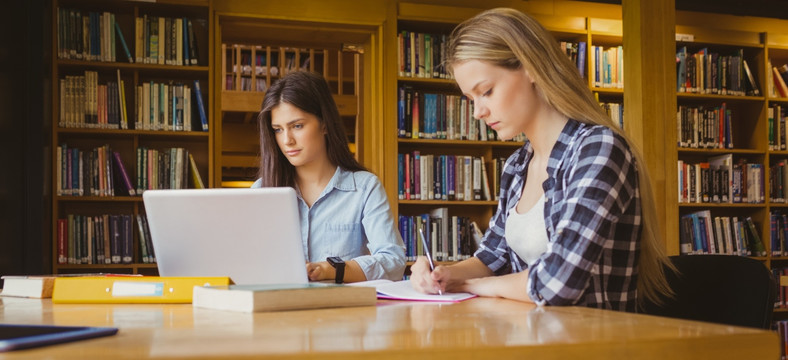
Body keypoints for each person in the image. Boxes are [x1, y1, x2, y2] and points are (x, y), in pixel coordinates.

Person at [409, 8, 675, 312]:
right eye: (471, 99)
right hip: (534, 335)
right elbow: (492, 257)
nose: (477, 112)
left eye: (486, 92)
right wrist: (442, 274)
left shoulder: (598, 149)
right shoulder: (517, 165)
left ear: (531, 68)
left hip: (594, 343)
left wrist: (469, 285)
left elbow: (558, 284)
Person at [253, 71, 406, 282]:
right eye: (278, 130)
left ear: (324, 124)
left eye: (297, 126)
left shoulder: (364, 187)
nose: (287, 140)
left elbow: (394, 261)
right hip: (277, 309)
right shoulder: (262, 191)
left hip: (343, 312)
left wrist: (331, 270)